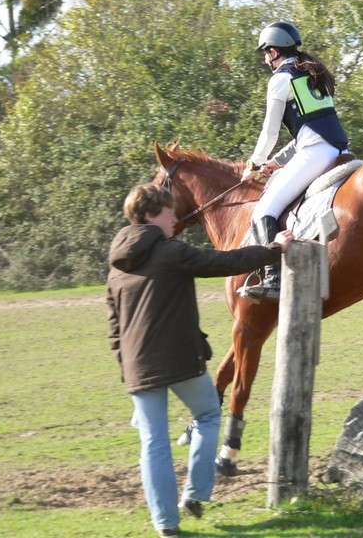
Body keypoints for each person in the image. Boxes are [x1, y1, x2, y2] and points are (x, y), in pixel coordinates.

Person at [106, 183, 293, 537]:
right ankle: (195, 492)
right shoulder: (170, 251)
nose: (175, 218)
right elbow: (225, 262)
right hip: (179, 359)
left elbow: (114, 325)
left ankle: (165, 525)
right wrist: (273, 249)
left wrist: (126, 365)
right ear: (149, 215)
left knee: (153, 443)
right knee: (208, 415)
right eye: (168, 212)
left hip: (136, 367)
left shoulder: (117, 264)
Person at [239, 21, 349, 301]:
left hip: (315, 153)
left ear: (274, 51)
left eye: (265, 54)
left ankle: (274, 278)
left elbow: (269, 132)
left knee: (264, 211)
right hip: (334, 150)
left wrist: (253, 164)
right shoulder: (310, 74)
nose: (265, 60)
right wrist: (275, 162)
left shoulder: (280, 80)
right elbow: (307, 130)